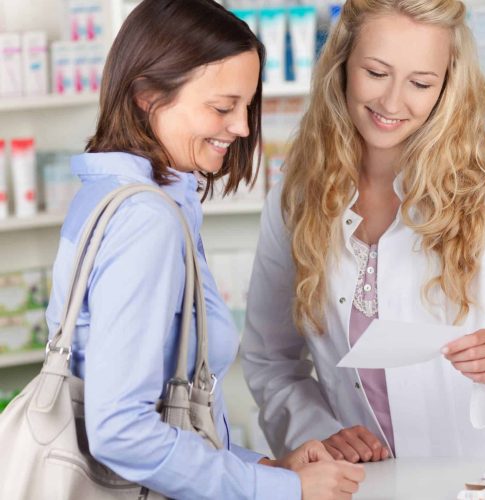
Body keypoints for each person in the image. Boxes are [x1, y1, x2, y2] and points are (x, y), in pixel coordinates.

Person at [44, 0, 363, 498]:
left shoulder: (111, 196)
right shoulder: (145, 220)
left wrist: (268, 468)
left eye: (245, 107)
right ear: (148, 96)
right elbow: (121, 430)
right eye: (222, 107)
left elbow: (166, 418)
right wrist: (277, 490)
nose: (240, 127)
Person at [241, 0, 485, 463]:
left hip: (474, 481)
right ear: (341, 64)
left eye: (420, 83)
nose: (392, 102)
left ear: (447, 87)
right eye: (376, 73)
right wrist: (319, 435)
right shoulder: (296, 200)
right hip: (356, 484)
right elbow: (271, 361)